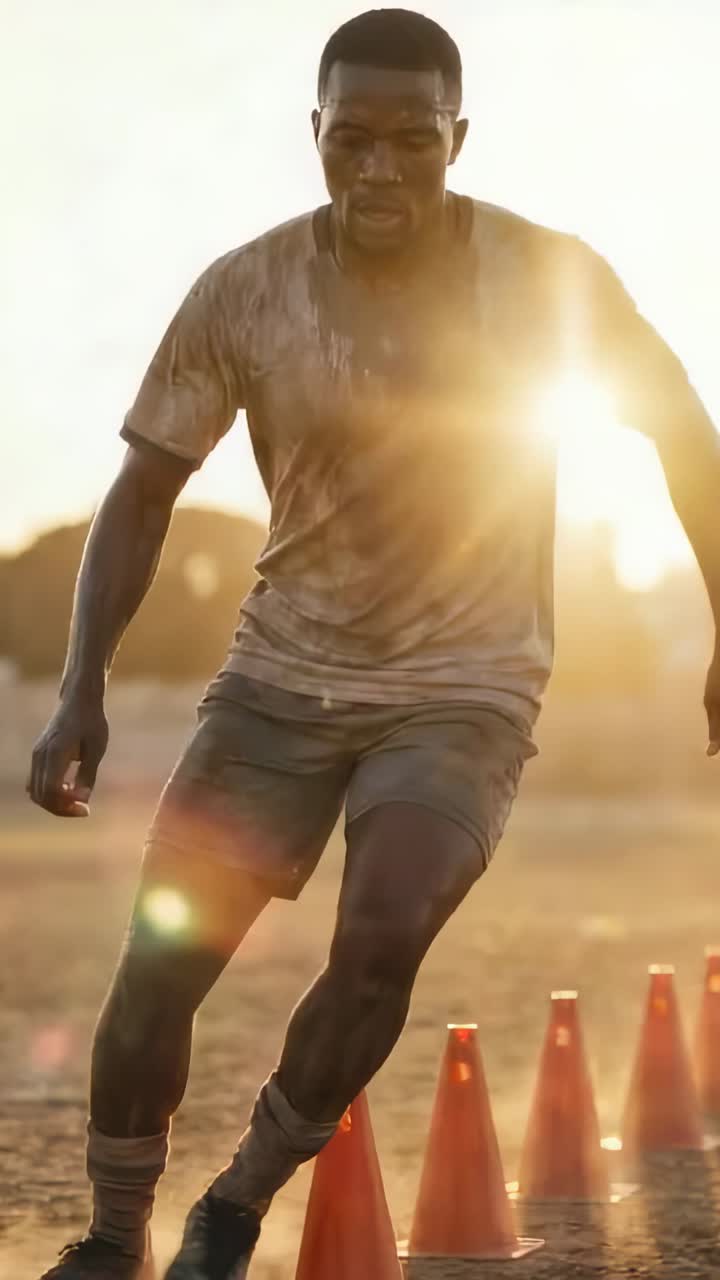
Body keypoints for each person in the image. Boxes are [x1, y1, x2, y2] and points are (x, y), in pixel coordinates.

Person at [29, 8, 720, 1279]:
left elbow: (680, 426)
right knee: (157, 970)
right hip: (279, 678)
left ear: (459, 137)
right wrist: (82, 686)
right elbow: (143, 493)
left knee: (384, 931)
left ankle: (233, 1206)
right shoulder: (246, 289)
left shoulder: (545, 278)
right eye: (352, 139)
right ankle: (116, 1233)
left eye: (414, 139)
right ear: (316, 133)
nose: (381, 168)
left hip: (465, 685)